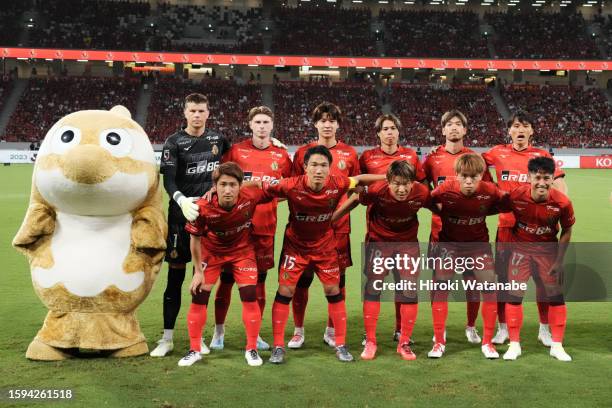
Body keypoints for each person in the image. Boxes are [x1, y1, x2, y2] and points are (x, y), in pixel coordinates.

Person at [248, 145, 385, 364]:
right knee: (286, 290)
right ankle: (278, 346)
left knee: (333, 290)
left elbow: (359, 179)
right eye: (314, 165)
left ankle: (340, 344)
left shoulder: (338, 183)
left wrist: (390, 175)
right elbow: (257, 186)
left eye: (323, 165)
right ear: (305, 167)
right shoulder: (291, 185)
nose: (318, 170)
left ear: (330, 168)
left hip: (325, 247)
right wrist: (222, 188)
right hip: (296, 246)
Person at [151, 93, 230, 357]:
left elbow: (232, 168)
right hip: (179, 217)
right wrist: (181, 200)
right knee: (175, 277)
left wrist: (270, 140)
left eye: (201, 111)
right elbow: (169, 180)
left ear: (209, 113)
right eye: (192, 111)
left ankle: (198, 337)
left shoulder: (218, 140)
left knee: (203, 280)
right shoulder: (174, 142)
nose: (197, 115)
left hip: (209, 219)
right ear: (185, 113)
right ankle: (167, 338)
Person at [210, 106, 292, 351]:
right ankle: (218, 332)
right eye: (258, 121)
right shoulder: (236, 151)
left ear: (272, 125)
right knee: (226, 280)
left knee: (259, 283)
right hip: (235, 227)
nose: (262, 126)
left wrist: (272, 199)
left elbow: (290, 186)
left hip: (265, 227)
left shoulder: (281, 156)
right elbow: (219, 180)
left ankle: (254, 335)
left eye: (266, 121)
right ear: (250, 125)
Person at [482, 111, 568, 347]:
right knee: (504, 280)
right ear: (509, 131)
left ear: (531, 131)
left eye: (525, 125)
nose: (520, 129)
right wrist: (489, 186)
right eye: (516, 126)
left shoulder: (541, 155)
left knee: (543, 280)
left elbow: (559, 181)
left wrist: (560, 209)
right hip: (507, 228)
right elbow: (476, 166)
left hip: (538, 229)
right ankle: (503, 329)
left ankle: (544, 329)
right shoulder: (496, 152)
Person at [332, 160, 433, 360]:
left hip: (407, 245)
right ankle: (370, 341)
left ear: (413, 182)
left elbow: (437, 207)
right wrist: (332, 219)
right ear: (388, 181)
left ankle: (404, 342)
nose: (402, 189)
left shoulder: (421, 192)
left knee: (409, 291)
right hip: (378, 244)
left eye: (406, 183)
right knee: (373, 289)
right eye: (397, 183)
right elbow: (354, 201)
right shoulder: (377, 190)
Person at [178, 162, 270, 367]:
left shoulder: (251, 196)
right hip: (212, 252)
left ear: (240, 186)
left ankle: (252, 349)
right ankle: (194, 350)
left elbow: (271, 189)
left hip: (242, 252)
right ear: (215, 187)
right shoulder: (202, 206)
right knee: (199, 296)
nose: (227, 190)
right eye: (223, 185)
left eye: (232, 185)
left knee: (249, 295)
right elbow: (195, 239)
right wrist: (198, 272)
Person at [288, 102, 360, 349]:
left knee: (337, 282)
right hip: (305, 230)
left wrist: (335, 216)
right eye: (323, 120)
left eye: (332, 120)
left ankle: (331, 329)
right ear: (316, 123)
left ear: (338, 124)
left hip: (338, 229)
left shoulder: (349, 153)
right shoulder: (302, 153)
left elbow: (357, 191)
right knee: (301, 280)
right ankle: (298, 331)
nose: (327, 125)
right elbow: (292, 185)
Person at [423, 110, 493, 345]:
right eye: (449, 124)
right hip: (441, 233)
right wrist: (440, 212)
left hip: (473, 235)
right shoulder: (432, 159)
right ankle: (438, 330)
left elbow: (488, 191)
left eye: (458, 124)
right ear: (442, 130)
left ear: (465, 130)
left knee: (472, 282)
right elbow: (424, 193)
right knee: (439, 283)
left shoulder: (476, 159)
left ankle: (471, 326)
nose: (454, 128)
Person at [429, 153, 506, 359]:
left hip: (477, 246)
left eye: (474, 176)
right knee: (440, 289)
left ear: (482, 175)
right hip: (449, 245)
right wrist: (443, 213)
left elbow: (506, 203)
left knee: (489, 288)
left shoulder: (490, 190)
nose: (469, 181)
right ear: (456, 175)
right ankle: (439, 342)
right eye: (464, 176)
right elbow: (428, 200)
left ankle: (488, 343)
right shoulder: (445, 189)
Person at [359, 113, 426, 342]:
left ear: (399, 131)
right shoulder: (367, 156)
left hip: (407, 232)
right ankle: (370, 336)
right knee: (374, 283)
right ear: (378, 133)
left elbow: (420, 185)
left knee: (404, 283)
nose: (389, 132)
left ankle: (400, 331)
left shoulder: (410, 156)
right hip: (378, 232)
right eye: (385, 129)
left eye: (393, 128)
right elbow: (359, 183)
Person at [499, 157, 574, 362]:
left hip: (547, 253)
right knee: (514, 297)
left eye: (546, 178)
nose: (541, 182)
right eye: (537, 177)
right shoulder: (516, 196)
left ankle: (557, 346)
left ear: (552, 179)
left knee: (556, 297)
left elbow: (567, 231)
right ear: (530, 177)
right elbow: (494, 206)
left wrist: (559, 261)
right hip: (520, 253)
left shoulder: (562, 202)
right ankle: (514, 345)